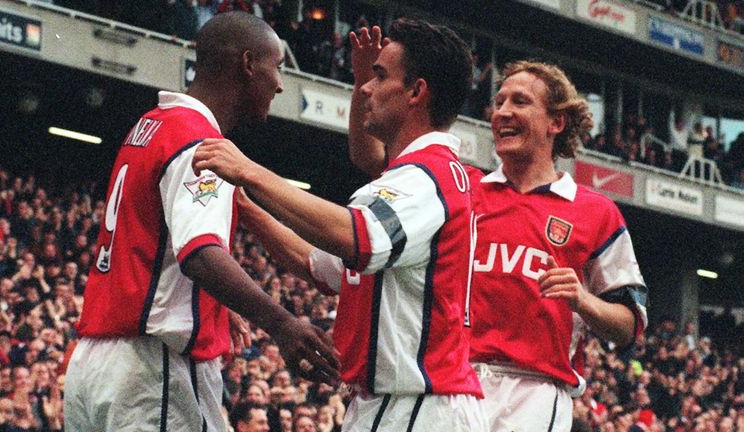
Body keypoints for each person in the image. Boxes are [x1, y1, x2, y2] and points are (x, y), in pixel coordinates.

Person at [193, 17, 484, 432]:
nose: (365, 87)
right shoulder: (412, 179)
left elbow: (356, 236)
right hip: (397, 404)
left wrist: (250, 172)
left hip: (419, 407)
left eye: (379, 76)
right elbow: (313, 261)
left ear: (417, 92)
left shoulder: (427, 177)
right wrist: (246, 205)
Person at [345, 32, 647, 432]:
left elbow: (628, 325)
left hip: (536, 393)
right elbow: (371, 157)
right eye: (499, 101)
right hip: (453, 384)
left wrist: (583, 300)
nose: (502, 111)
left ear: (556, 122)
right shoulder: (462, 187)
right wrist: (361, 85)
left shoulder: (596, 212)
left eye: (520, 102)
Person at [63, 12, 338, 432]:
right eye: (277, 67)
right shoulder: (201, 143)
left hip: (96, 364)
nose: (280, 84)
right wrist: (282, 323)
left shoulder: (152, 125)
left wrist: (208, 303)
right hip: (151, 370)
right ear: (248, 64)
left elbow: (154, 244)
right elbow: (199, 253)